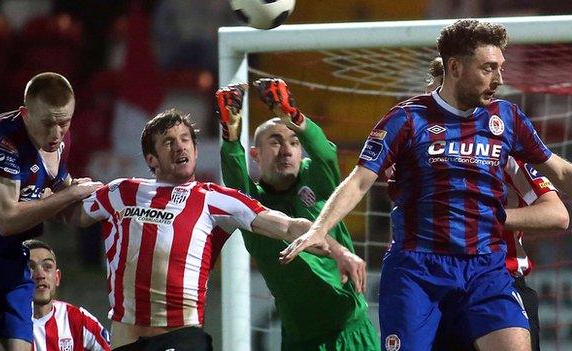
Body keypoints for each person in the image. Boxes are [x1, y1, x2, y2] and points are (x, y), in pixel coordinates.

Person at [280, 19, 572, 351]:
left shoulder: (507, 118)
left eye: (500, 68)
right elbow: (359, 181)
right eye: (488, 69)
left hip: (485, 266)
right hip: (418, 269)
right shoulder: (406, 119)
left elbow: (559, 170)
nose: (499, 80)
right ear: (456, 67)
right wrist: (319, 228)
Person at [63, 109, 337, 351]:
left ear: (195, 150)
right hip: (126, 339)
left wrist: (336, 248)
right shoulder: (122, 190)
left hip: (181, 337)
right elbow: (75, 217)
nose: (180, 147)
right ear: (152, 159)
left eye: (185, 140)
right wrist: (67, 189)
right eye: (168, 142)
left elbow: (286, 224)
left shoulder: (212, 197)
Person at [215, 79, 380, 350]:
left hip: (352, 332)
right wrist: (230, 136)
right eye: (276, 142)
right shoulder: (251, 208)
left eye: (293, 142)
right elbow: (234, 176)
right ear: (255, 154)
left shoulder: (318, 180)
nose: (287, 150)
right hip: (300, 342)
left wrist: (295, 117)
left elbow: (326, 153)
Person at [0, 72, 102, 351]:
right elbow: (7, 220)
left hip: (11, 258)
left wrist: (115, 203)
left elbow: (71, 213)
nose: (56, 133)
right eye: (47, 123)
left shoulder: (59, 144)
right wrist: (69, 194)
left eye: (64, 123)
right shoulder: (2, 138)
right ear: (26, 113)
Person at [426, 56, 557, 351]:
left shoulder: (504, 152)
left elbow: (557, 213)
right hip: (438, 285)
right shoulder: (419, 149)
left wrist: (489, 217)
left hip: (501, 282)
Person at [25, 239, 111, 351]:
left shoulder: (78, 318)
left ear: (57, 277)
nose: (40, 274)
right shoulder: (7, 325)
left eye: (47, 267)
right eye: (30, 267)